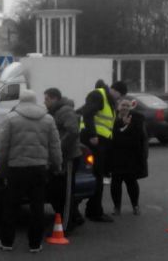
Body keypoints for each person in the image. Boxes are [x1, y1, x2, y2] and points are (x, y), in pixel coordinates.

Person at [0, 89, 61, 253]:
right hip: (39, 168)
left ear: (20, 100)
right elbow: (55, 145)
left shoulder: (10, 118)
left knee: (11, 206)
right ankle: (35, 244)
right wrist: (56, 165)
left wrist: (0, 168)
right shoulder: (48, 119)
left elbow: (2, 146)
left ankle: (7, 242)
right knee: (37, 206)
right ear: (35, 100)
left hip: (16, 168)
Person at [44, 87, 83, 231]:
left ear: (55, 99)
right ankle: (75, 217)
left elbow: (73, 131)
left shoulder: (65, 111)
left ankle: (66, 226)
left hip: (68, 157)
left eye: (47, 99)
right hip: (60, 157)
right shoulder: (54, 112)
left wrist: (59, 148)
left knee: (66, 192)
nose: (44, 102)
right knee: (58, 190)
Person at [80, 79, 118, 222]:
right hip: (94, 141)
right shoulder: (99, 95)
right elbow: (87, 113)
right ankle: (94, 211)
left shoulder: (107, 99)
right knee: (95, 176)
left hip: (99, 141)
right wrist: (93, 135)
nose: (119, 98)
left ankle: (92, 210)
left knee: (96, 176)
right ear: (114, 90)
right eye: (119, 95)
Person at [109, 98, 149, 216]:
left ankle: (135, 206)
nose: (125, 108)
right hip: (116, 157)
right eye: (123, 105)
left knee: (131, 182)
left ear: (131, 108)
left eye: (127, 106)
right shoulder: (113, 118)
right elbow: (110, 133)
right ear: (118, 107)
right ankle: (116, 207)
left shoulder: (137, 118)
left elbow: (139, 137)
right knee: (115, 183)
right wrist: (121, 123)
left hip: (131, 157)